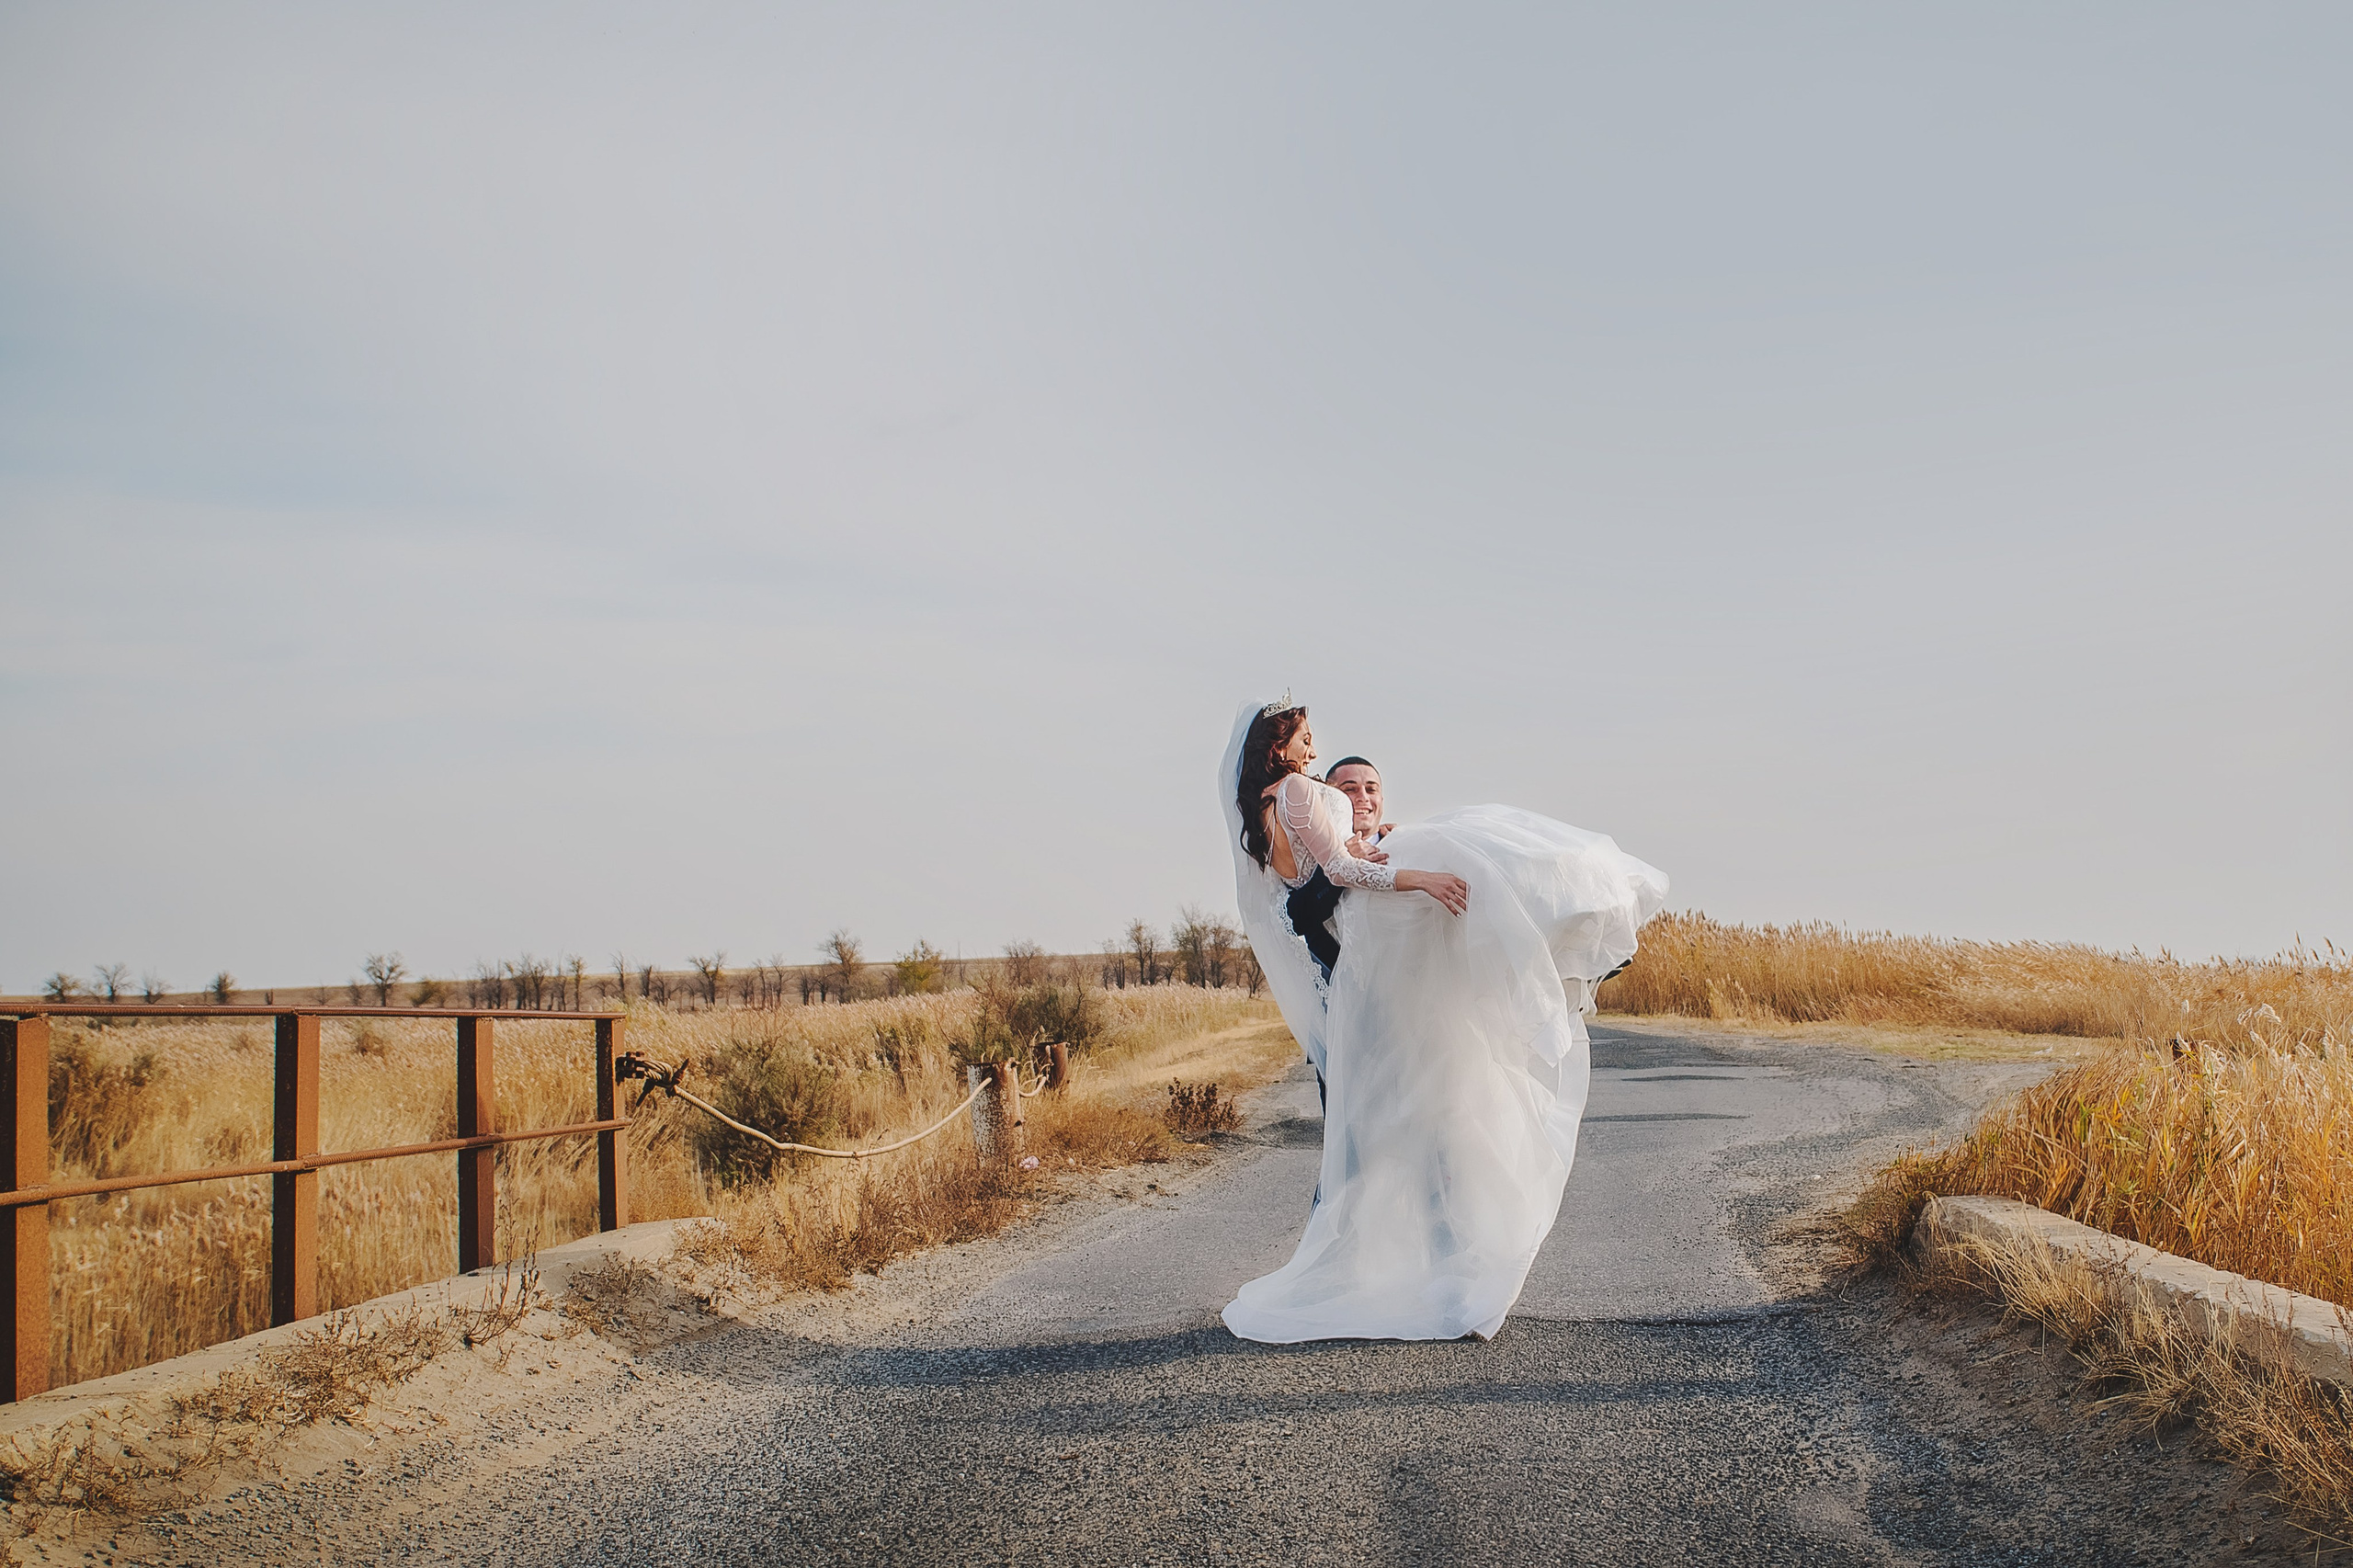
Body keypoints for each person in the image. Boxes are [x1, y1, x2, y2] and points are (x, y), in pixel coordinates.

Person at [1217, 695, 1668, 1343]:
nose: (1319, 761)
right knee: (1367, 1152)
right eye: (1338, 777)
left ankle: (1562, 951)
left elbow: (1350, 873)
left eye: (1368, 788)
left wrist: (1387, 862)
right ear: (1279, 747)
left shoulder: (1304, 818)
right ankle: (1342, 1268)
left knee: (1428, 1138)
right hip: (1364, 1013)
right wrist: (1409, 875)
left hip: (1396, 1006)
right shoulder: (1298, 801)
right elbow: (1321, 890)